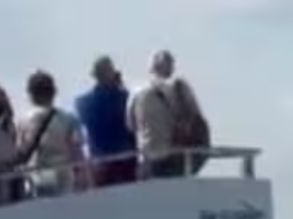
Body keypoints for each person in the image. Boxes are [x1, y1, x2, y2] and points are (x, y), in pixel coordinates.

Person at [126, 50, 208, 178]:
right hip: (172, 157)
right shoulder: (179, 87)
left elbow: (131, 125)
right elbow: (195, 118)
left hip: (146, 158)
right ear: (169, 67)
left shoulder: (136, 92)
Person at [17, 70, 88, 198]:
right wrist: (85, 181)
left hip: (36, 178)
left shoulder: (23, 123)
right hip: (63, 177)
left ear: (31, 95)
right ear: (54, 92)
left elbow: (20, 153)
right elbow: (77, 153)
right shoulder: (68, 119)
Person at [75, 56, 137, 187]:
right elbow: (131, 124)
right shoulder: (124, 97)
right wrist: (120, 86)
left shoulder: (83, 102)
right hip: (127, 159)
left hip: (99, 161)